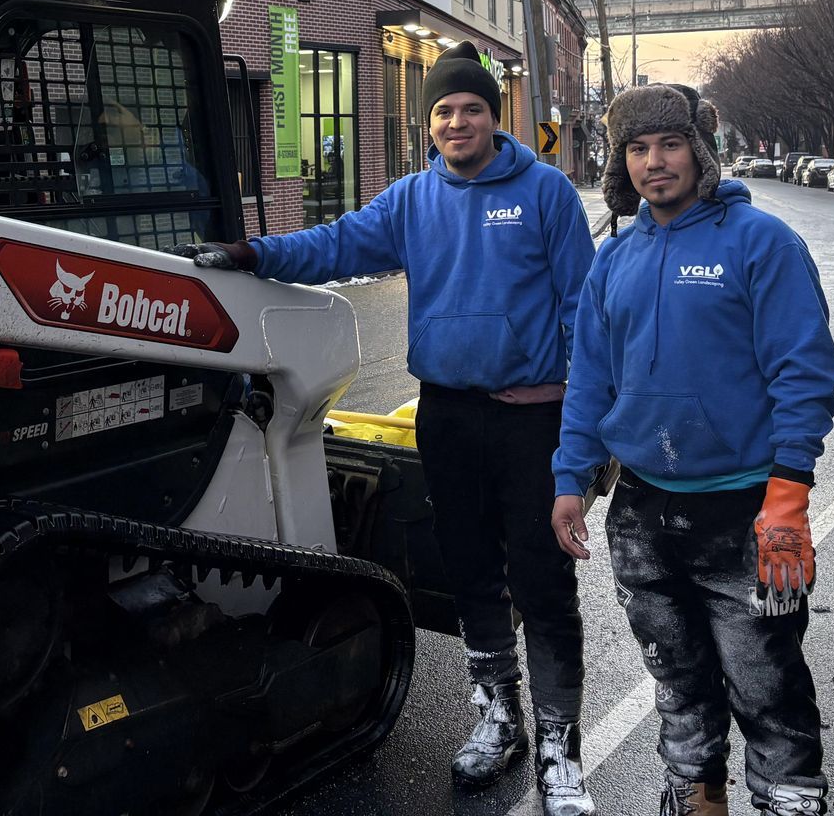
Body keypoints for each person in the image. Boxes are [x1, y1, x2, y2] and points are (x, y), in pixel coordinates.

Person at [182, 41, 598, 815]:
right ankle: (497, 718)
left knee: (543, 583)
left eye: (471, 108)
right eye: (443, 110)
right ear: (426, 124)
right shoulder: (411, 199)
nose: (456, 121)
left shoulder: (545, 193)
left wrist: (585, 436)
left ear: (494, 116)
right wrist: (250, 253)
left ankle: (560, 751)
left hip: (534, 419)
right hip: (446, 414)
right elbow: (335, 245)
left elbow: (584, 315)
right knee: (472, 572)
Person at [549, 83, 834, 816]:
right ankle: (696, 794)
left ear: (701, 151)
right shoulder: (612, 261)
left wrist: (788, 496)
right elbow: (588, 381)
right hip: (643, 513)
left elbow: (804, 373)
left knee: (766, 682)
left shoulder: (760, 243)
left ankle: (789, 799)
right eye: (638, 149)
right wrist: (570, 480)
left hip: (747, 513)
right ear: (623, 163)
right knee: (675, 679)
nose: (655, 162)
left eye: (670, 144)